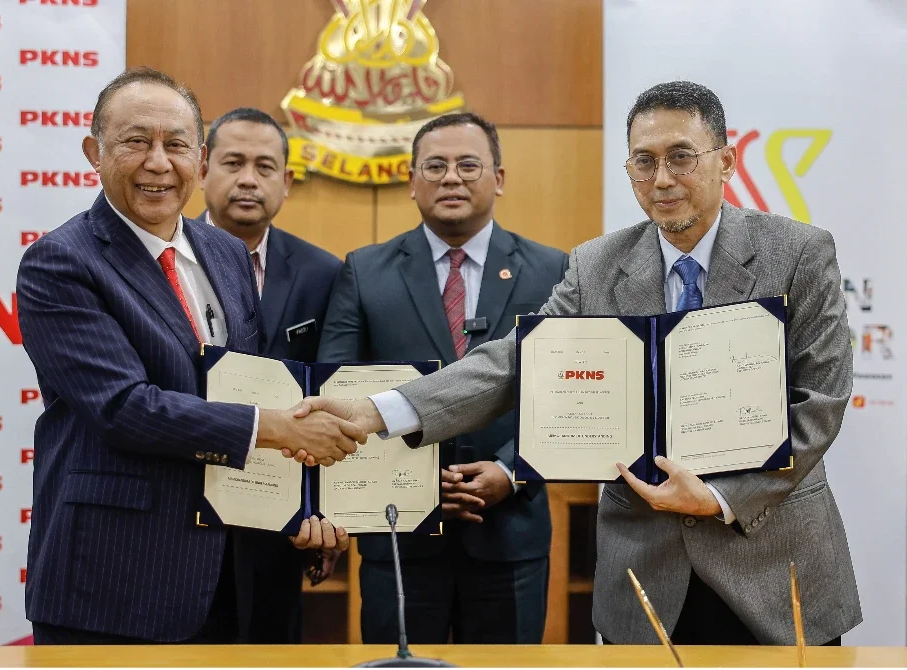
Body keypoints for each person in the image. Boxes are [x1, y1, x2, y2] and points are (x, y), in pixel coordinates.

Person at [295, 82, 861, 646]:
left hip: (772, 565)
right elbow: (513, 364)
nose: (662, 180)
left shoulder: (799, 254)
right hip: (644, 577)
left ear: (726, 160)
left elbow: (821, 402)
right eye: (644, 161)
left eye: (681, 157)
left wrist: (719, 498)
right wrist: (377, 412)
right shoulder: (596, 266)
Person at [17, 67, 364, 645]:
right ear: (92, 152)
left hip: (232, 571)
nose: (158, 162)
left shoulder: (224, 253)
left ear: (199, 161)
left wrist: (306, 506)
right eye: (136, 141)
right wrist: (277, 428)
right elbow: (124, 407)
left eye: (176, 144)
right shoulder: (60, 263)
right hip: (115, 580)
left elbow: (254, 386)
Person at [317, 112, 567, 644]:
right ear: (411, 182)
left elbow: (572, 393)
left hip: (510, 530)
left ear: (498, 178)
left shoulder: (554, 271)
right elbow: (339, 396)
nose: (451, 178)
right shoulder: (365, 271)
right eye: (435, 166)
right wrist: (418, 477)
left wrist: (511, 469)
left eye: (468, 165)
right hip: (398, 531)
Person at [198, 107, 344, 643]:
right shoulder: (165, 260)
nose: (247, 179)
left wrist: (325, 513)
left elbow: (333, 390)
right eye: (233, 162)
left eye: (264, 167)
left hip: (281, 522)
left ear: (285, 182)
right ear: (203, 169)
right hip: (185, 512)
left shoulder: (324, 273)